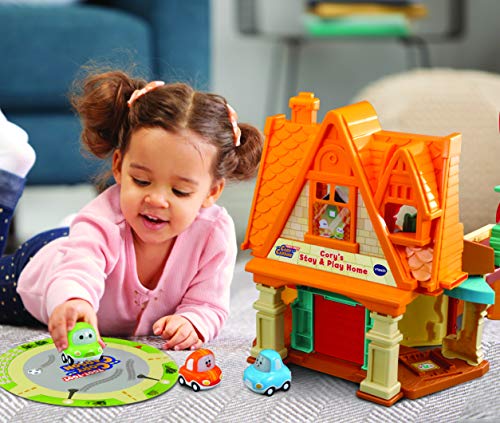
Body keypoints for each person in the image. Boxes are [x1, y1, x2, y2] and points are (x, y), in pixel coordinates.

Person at [0, 70, 263, 353]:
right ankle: (8, 169)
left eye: (179, 191)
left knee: (90, 240)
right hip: (41, 270)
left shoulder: (214, 233)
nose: (157, 200)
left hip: (88, 239)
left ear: (212, 191)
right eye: (141, 181)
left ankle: (72, 230)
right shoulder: (103, 220)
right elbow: (77, 271)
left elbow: (208, 304)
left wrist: (192, 322)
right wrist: (75, 301)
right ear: (118, 166)